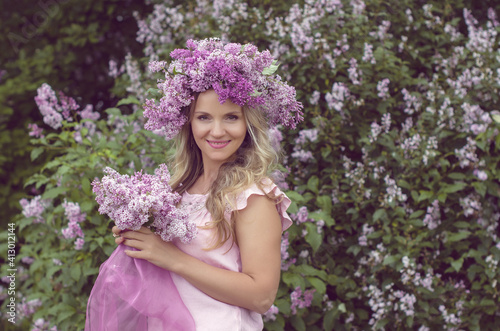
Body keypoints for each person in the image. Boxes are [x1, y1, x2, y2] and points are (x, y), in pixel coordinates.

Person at [110, 38, 303, 330]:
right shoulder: (177, 190)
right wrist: (137, 235)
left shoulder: (251, 197)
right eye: (203, 117)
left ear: (248, 125)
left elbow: (262, 296)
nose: (216, 131)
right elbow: (164, 266)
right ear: (189, 123)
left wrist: (172, 258)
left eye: (231, 117)